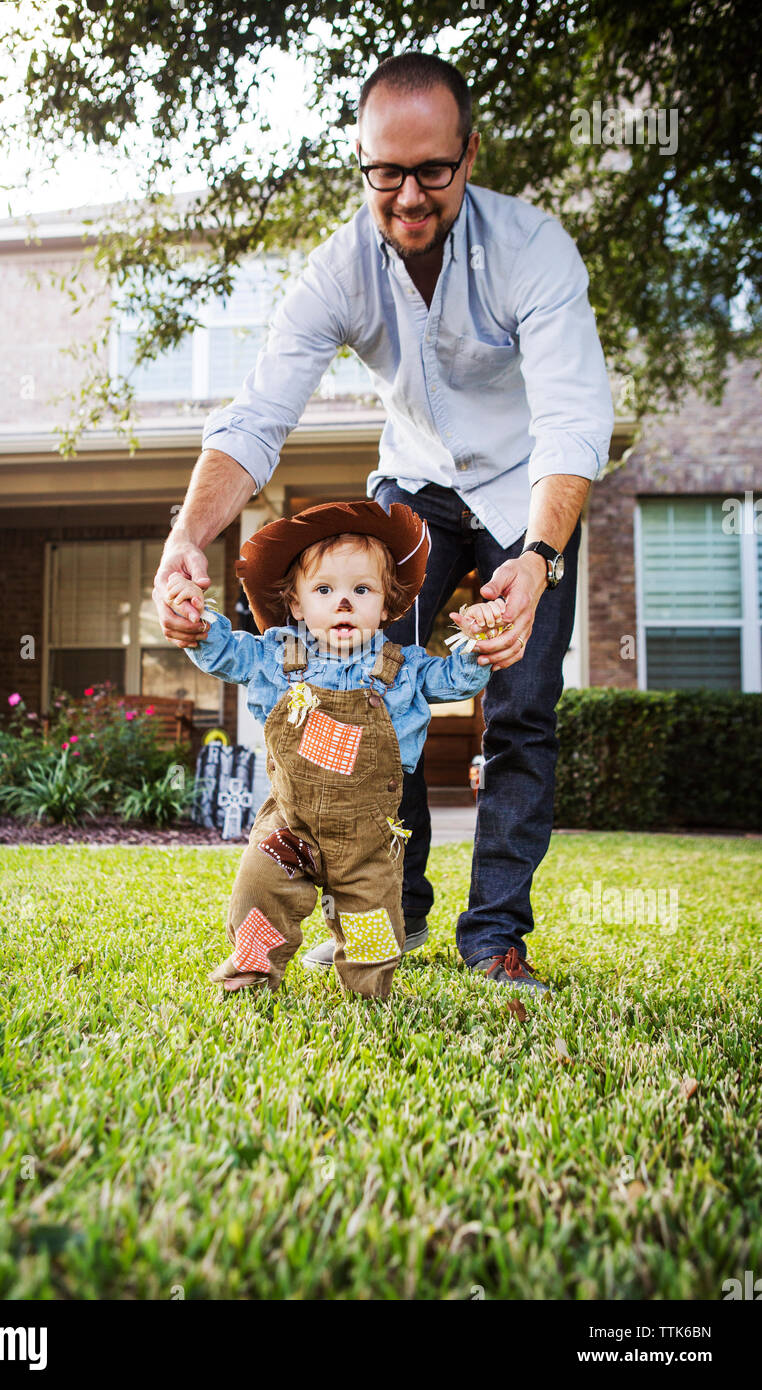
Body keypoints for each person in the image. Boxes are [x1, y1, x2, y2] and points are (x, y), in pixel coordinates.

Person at [153, 51, 614, 995]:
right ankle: (384, 912)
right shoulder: (338, 270)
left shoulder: (534, 250)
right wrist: (185, 539)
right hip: (415, 489)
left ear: (469, 155)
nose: (408, 195)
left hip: (527, 498)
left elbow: (573, 418)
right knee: (365, 689)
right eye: (385, 172)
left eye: (432, 171)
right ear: (362, 161)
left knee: (521, 710)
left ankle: (495, 938)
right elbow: (258, 417)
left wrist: (536, 560)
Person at [167, 499, 501, 999]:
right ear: (298, 605)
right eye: (325, 590)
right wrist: (195, 619)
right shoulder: (276, 658)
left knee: (373, 928)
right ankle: (250, 976)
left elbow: (455, 680)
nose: (343, 602)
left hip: (368, 840)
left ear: (386, 605)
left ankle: (368, 995)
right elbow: (226, 652)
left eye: (361, 590)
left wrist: (477, 643)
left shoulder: (403, 668)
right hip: (290, 826)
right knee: (257, 897)